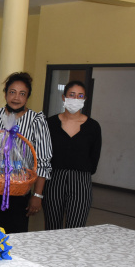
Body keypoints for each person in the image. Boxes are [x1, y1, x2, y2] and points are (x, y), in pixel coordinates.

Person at [0, 72, 52, 233]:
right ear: (5, 94)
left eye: (22, 94)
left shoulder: (36, 121)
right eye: (12, 92)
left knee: (16, 236)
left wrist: (38, 195)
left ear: (28, 97)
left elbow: (43, 162)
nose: (16, 98)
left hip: (19, 192)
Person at [44, 81, 102, 229]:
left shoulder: (93, 127)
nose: (75, 99)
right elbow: (43, 153)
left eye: (80, 96)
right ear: (64, 98)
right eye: (72, 95)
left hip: (81, 181)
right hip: (54, 180)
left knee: (76, 228)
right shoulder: (50, 123)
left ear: (84, 99)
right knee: (52, 226)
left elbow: (94, 157)